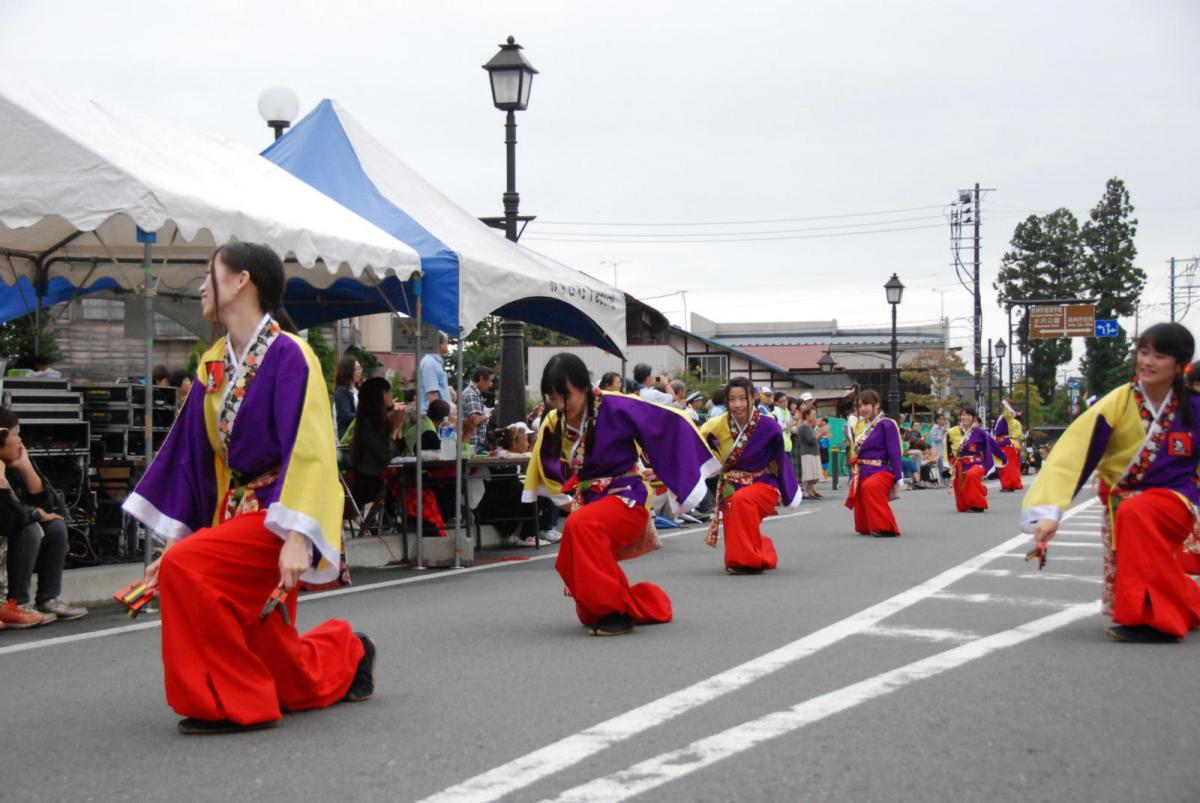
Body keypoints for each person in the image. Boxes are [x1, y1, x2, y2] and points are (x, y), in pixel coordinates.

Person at [122, 241, 373, 735]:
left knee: (191, 570)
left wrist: (300, 536)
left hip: (277, 519)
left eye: (209, 272)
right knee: (287, 673)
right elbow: (193, 455)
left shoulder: (291, 355)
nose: (200, 286)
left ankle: (229, 702)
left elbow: (313, 449)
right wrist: (179, 540)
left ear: (241, 281)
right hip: (230, 517)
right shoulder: (213, 361)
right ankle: (351, 650)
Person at [1024, 322, 1200, 644]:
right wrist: (1051, 511)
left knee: (1137, 514)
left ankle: (1156, 621)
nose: (1146, 361)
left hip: (1177, 500)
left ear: (1180, 363)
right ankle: (1187, 603)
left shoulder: (1194, 407)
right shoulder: (1118, 401)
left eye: (1158, 355)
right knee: (1135, 553)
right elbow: (1076, 453)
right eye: (1143, 352)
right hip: (1122, 502)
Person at [523, 353, 719, 636]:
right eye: (553, 398)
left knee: (581, 526)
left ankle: (614, 613)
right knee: (570, 553)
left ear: (584, 387)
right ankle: (636, 603)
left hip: (626, 497)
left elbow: (667, 424)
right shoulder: (554, 421)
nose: (560, 405)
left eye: (566, 396)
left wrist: (676, 478)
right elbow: (546, 462)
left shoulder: (617, 406)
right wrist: (563, 499)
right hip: (590, 502)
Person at [700, 377, 801, 574]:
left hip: (763, 484)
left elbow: (781, 460)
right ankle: (762, 550)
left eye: (742, 399)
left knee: (741, 501)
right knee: (736, 519)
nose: (737, 405)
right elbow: (694, 448)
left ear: (752, 399)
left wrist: (789, 492)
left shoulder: (768, 426)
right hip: (731, 486)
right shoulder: (715, 425)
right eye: (732, 399)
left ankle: (747, 561)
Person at [0, 410, 88, 627]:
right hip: (7, 533)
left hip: (12, 531)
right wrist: (35, 514)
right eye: (15, 434)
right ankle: (16, 603)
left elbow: (51, 507)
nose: (20, 440)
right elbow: (7, 515)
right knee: (30, 529)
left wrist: (26, 467)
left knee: (55, 526)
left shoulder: (10, 465)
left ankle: (47, 598)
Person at [844, 390, 903, 537]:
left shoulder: (887, 424)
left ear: (876, 404)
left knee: (871, 486)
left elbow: (894, 450)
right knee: (860, 488)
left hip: (881, 469)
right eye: (860, 405)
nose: (862, 409)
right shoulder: (858, 425)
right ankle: (868, 525)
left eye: (866, 404)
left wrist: (898, 474)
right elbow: (854, 449)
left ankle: (885, 527)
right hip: (862, 469)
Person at [347, 377, 406, 506]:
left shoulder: (383, 421)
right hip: (372, 484)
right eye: (388, 392)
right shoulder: (367, 424)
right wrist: (394, 431)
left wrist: (398, 429)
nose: (391, 395)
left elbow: (400, 451)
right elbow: (384, 455)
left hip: (387, 480)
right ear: (379, 396)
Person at [948, 406, 1003, 513]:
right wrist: (951, 463)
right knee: (961, 501)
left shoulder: (979, 432)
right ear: (960, 417)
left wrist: (1002, 457)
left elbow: (992, 444)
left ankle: (978, 505)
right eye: (963, 415)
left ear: (973, 418)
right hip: (960, 463)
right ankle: (974, 496)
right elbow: (948, 448)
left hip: (976, 462)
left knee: (971, 474)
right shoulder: (952, 432)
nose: (965, 417)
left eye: (968, 415)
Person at [459, 365, 495, 455]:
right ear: (481, 378)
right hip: (474, 444)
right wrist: (487, 415)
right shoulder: (472, 394)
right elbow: (475, 420)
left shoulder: (472, 392)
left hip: (473, 443)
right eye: (490, 380)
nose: (491, 384)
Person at [992, 401, 1025, 492]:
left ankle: (1009, 485)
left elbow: (1018, 434)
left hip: (1008, 444)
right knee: (1010, 466)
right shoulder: (1010, 420)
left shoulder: (1009, 419)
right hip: (1008, 444)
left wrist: (1006, 404)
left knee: (1008, 466)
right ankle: (1012, 483)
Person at [419, 334, 455, 413]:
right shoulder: (429, 363)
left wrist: (448, 389)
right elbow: (432, 395)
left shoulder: (435, 362)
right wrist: (442, 417)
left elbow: (437, 387)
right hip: (433, 417)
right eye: (446, 343)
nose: (447, 345)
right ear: (440, 345)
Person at [796, 407, 823, 499]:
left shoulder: (808, 426)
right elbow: (810, 439)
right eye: (813, 415)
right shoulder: (804, 426)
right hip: (807, 452)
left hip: (813, 452)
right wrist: (821, 434)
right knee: (808, 474)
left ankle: (810, 491)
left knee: (813, 474)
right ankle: (805, 492)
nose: (815, 417)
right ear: (807, 416)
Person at [333, 356, 361, 440]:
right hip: (348, 439)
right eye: (356, 369)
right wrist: (365, 415)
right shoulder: (341, 392)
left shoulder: (357, 390)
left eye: (360, 368)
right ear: (347, 371)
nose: (359, 371)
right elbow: (345, 415)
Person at [928, 413, 948, 486]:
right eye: (941, 419)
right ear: (937, 420)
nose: (943, 421)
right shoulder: (934, 428)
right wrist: (942, 434)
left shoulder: (942, 428)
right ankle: (938, 482)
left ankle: (943, 482)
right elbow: (934, 439)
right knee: (937, 466)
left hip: (941, 449)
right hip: (936, 449)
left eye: (943, 419)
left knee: (942, 466)